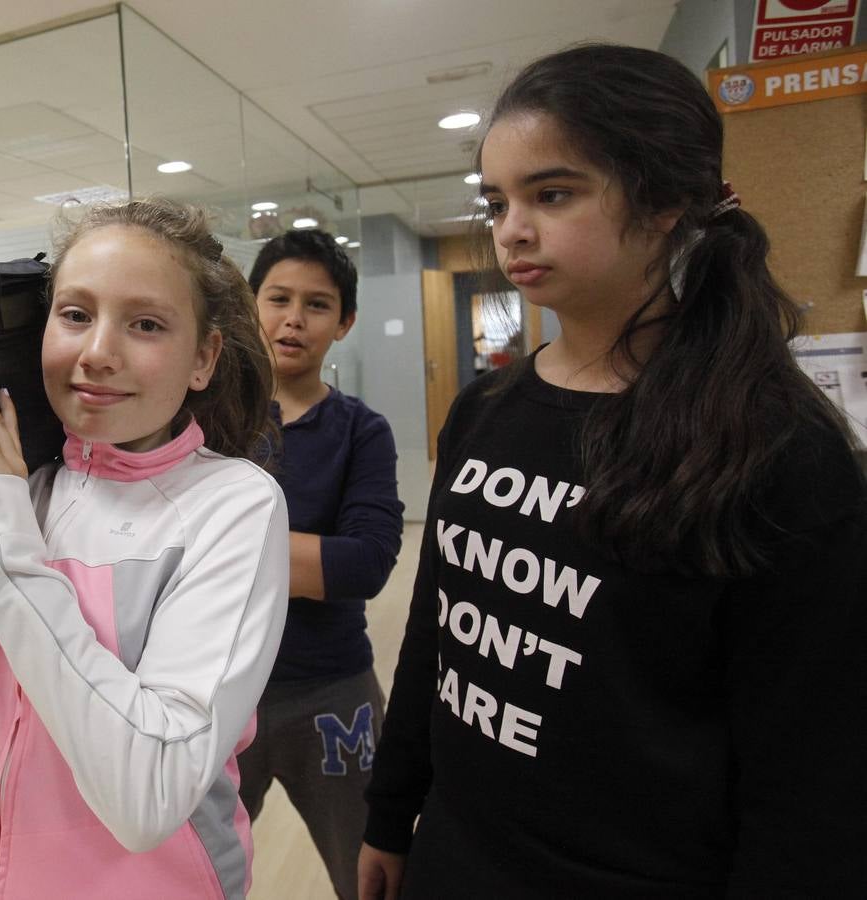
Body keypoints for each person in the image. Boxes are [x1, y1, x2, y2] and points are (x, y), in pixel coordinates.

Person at [358, 43, 867, 898]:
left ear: (666, 199)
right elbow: (437, 630)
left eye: (552, 193)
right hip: (457, 854)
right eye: (497, 201)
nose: (512, 228)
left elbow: (814, 776)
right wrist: (391, 807)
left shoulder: (779, 450)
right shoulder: (485, 413)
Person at [0, 200, 289, 898]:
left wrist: (5, 535)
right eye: (75, 314)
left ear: (204, 358)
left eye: (145, 324)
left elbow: (148, 796)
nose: (98, 353)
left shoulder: (231, 506)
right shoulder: (1, 480)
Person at [234, 228, 403, 900]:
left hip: (333, 694)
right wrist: (308, 559)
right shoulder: (205, 422)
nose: (292, 319)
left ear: (345, 323)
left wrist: (209, 548)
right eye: (277, 298)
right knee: (187, 874)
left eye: (317, 305)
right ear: (249, 306)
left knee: (370, 874)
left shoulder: (363, 431)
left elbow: (364, 564)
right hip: (214, 690)